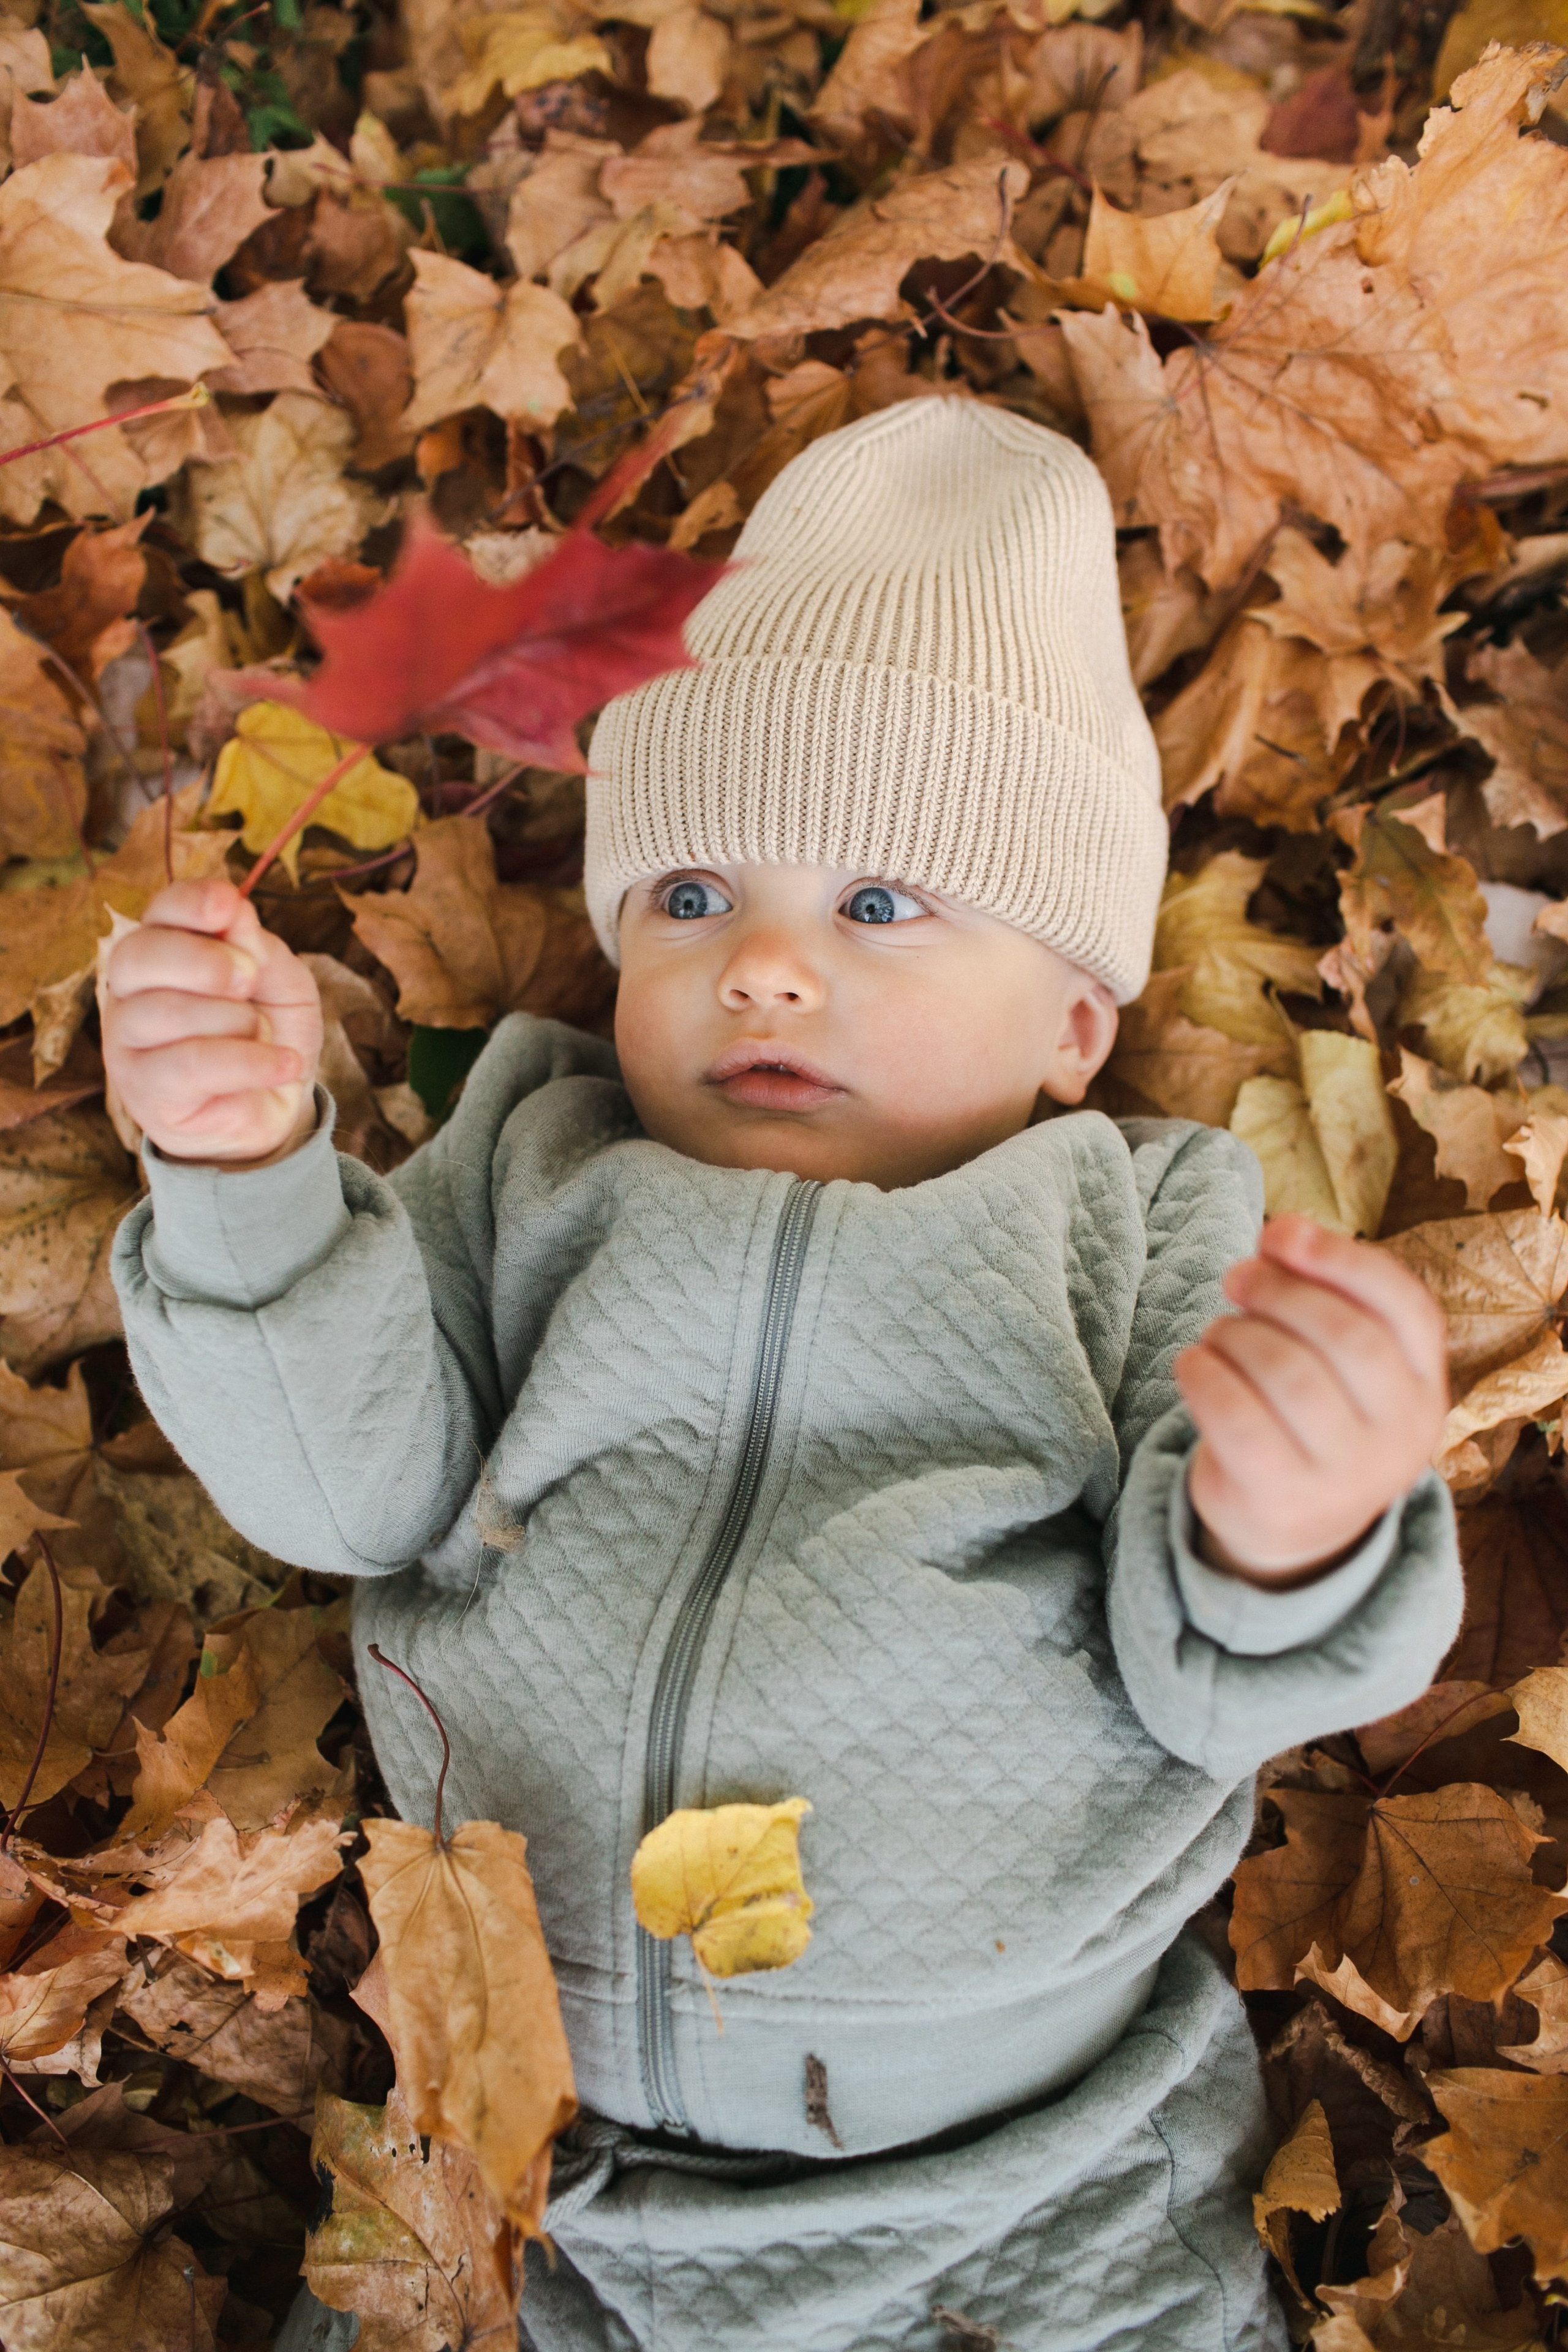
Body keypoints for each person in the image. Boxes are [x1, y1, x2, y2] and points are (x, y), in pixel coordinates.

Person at [104, 400, 1458, 2352]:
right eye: (690, 897)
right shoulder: (537, 1160)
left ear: (1078, 1020)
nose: (764, 966)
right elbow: (348, 1493)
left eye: (881, 905)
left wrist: (1289, 1522)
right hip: (523, 2156)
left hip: (1013, 2176)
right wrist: (244, 1183)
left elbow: (1213, 1669)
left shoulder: (1143, 1226)